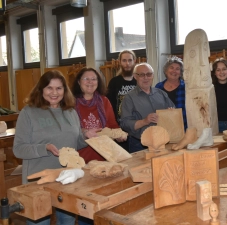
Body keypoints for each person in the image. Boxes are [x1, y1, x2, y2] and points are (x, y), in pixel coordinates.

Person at [13, 70, 88, 225]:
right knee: (39, 222)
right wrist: (44, 148)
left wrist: (88, 137)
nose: (54, 93)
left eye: (59, 88)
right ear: (41, 89)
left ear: (64, 90)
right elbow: (18, 149)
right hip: (38, 181)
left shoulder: (71, 112)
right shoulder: (28, 113)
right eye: (49, 88)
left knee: (66, 220)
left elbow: (76, 143)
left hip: (65, 179)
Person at [71, 67, 126, 163]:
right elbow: (68, 131)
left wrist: (119, 135)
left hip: (105, 154)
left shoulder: (104, 101)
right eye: (86, 79)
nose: (90, 82)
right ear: (79, 82)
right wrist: (84, 132)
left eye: (93, 79)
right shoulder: (70, 103)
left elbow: (112, 125)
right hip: (80, 157)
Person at [120, 63, 175, 153]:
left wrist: (171, 113)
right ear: (135, 76)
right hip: (140, 144)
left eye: (149, 74)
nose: (146, 78)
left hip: (163, 141)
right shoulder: (129, 97)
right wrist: (144, 121)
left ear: (152, 76)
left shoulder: (161, 94)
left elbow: (173, 111)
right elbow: (125, 123)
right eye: (141, 75)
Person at [106, 50, 137, 151]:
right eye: (124, 60)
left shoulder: (139, 81)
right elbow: (109, 106)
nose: (127, 63)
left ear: (134, 61)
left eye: (129, 60)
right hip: (119, 129)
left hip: (136, 127)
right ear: (120, 62)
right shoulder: (114, 82)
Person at [155, 56, 187, 129]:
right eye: (171, 68)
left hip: (183, 125)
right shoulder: (158, 87)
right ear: (166, 71)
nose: (174, 71)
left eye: (177, 69)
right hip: (163, 125)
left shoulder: (186, 87)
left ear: (180, 72)